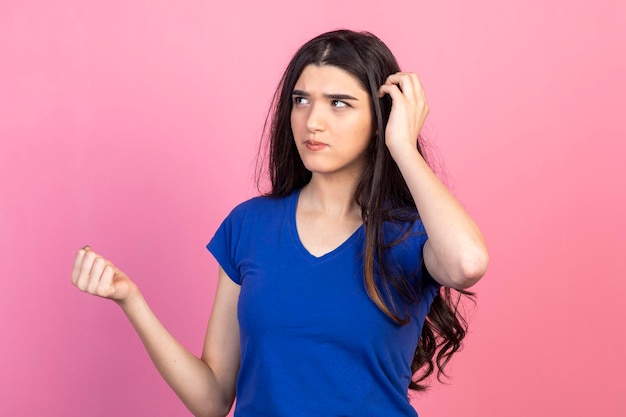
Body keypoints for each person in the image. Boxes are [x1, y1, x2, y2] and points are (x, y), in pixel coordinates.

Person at [71, 29, 489, 417]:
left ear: (382, 116)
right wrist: (131, 300)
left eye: (339, 103)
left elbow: (468, 264)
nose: (312, 121)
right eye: (301, 100)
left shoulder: (412, 233)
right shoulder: (249, 226)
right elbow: (214, 398)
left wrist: (401, 146)